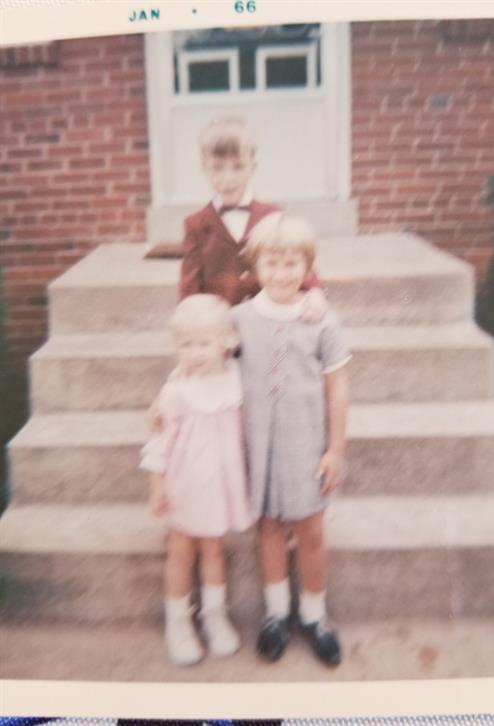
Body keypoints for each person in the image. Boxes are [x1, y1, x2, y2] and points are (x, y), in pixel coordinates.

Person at [231, 213, 350, 667]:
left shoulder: (322, 320)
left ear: (308, 267)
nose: (281, 274)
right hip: (258, 445)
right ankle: (276, 614)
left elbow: (337, 387)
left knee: (310, 530)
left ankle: (315, 616)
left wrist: (335, 450)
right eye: (271, 263)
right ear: (256, 267)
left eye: (291, 264)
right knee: (268, 527)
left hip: (307, 445)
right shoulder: (238, 319)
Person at [140, 295, 253, 666]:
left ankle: (214, 615)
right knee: (181, 551)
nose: (194, 353)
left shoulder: (237, 380)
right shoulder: (176, 392)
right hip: (185, 484)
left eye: (204, 343)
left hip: (221, 485)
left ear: (227, 342)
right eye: (185, 345)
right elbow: (158, 441)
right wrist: (157, 487)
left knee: (214, 549)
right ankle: (178, 622)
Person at [179, 114, 325, 318]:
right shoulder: (196, 224)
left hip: (268, 317)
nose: (228, 177)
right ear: (204, 167)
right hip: (221, 323)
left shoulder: (273, 216)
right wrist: (189, 316)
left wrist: (315, 292)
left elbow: (299, 260)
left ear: (252, 168)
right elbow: (190, 284)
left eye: (238, 167)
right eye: (217, 168)